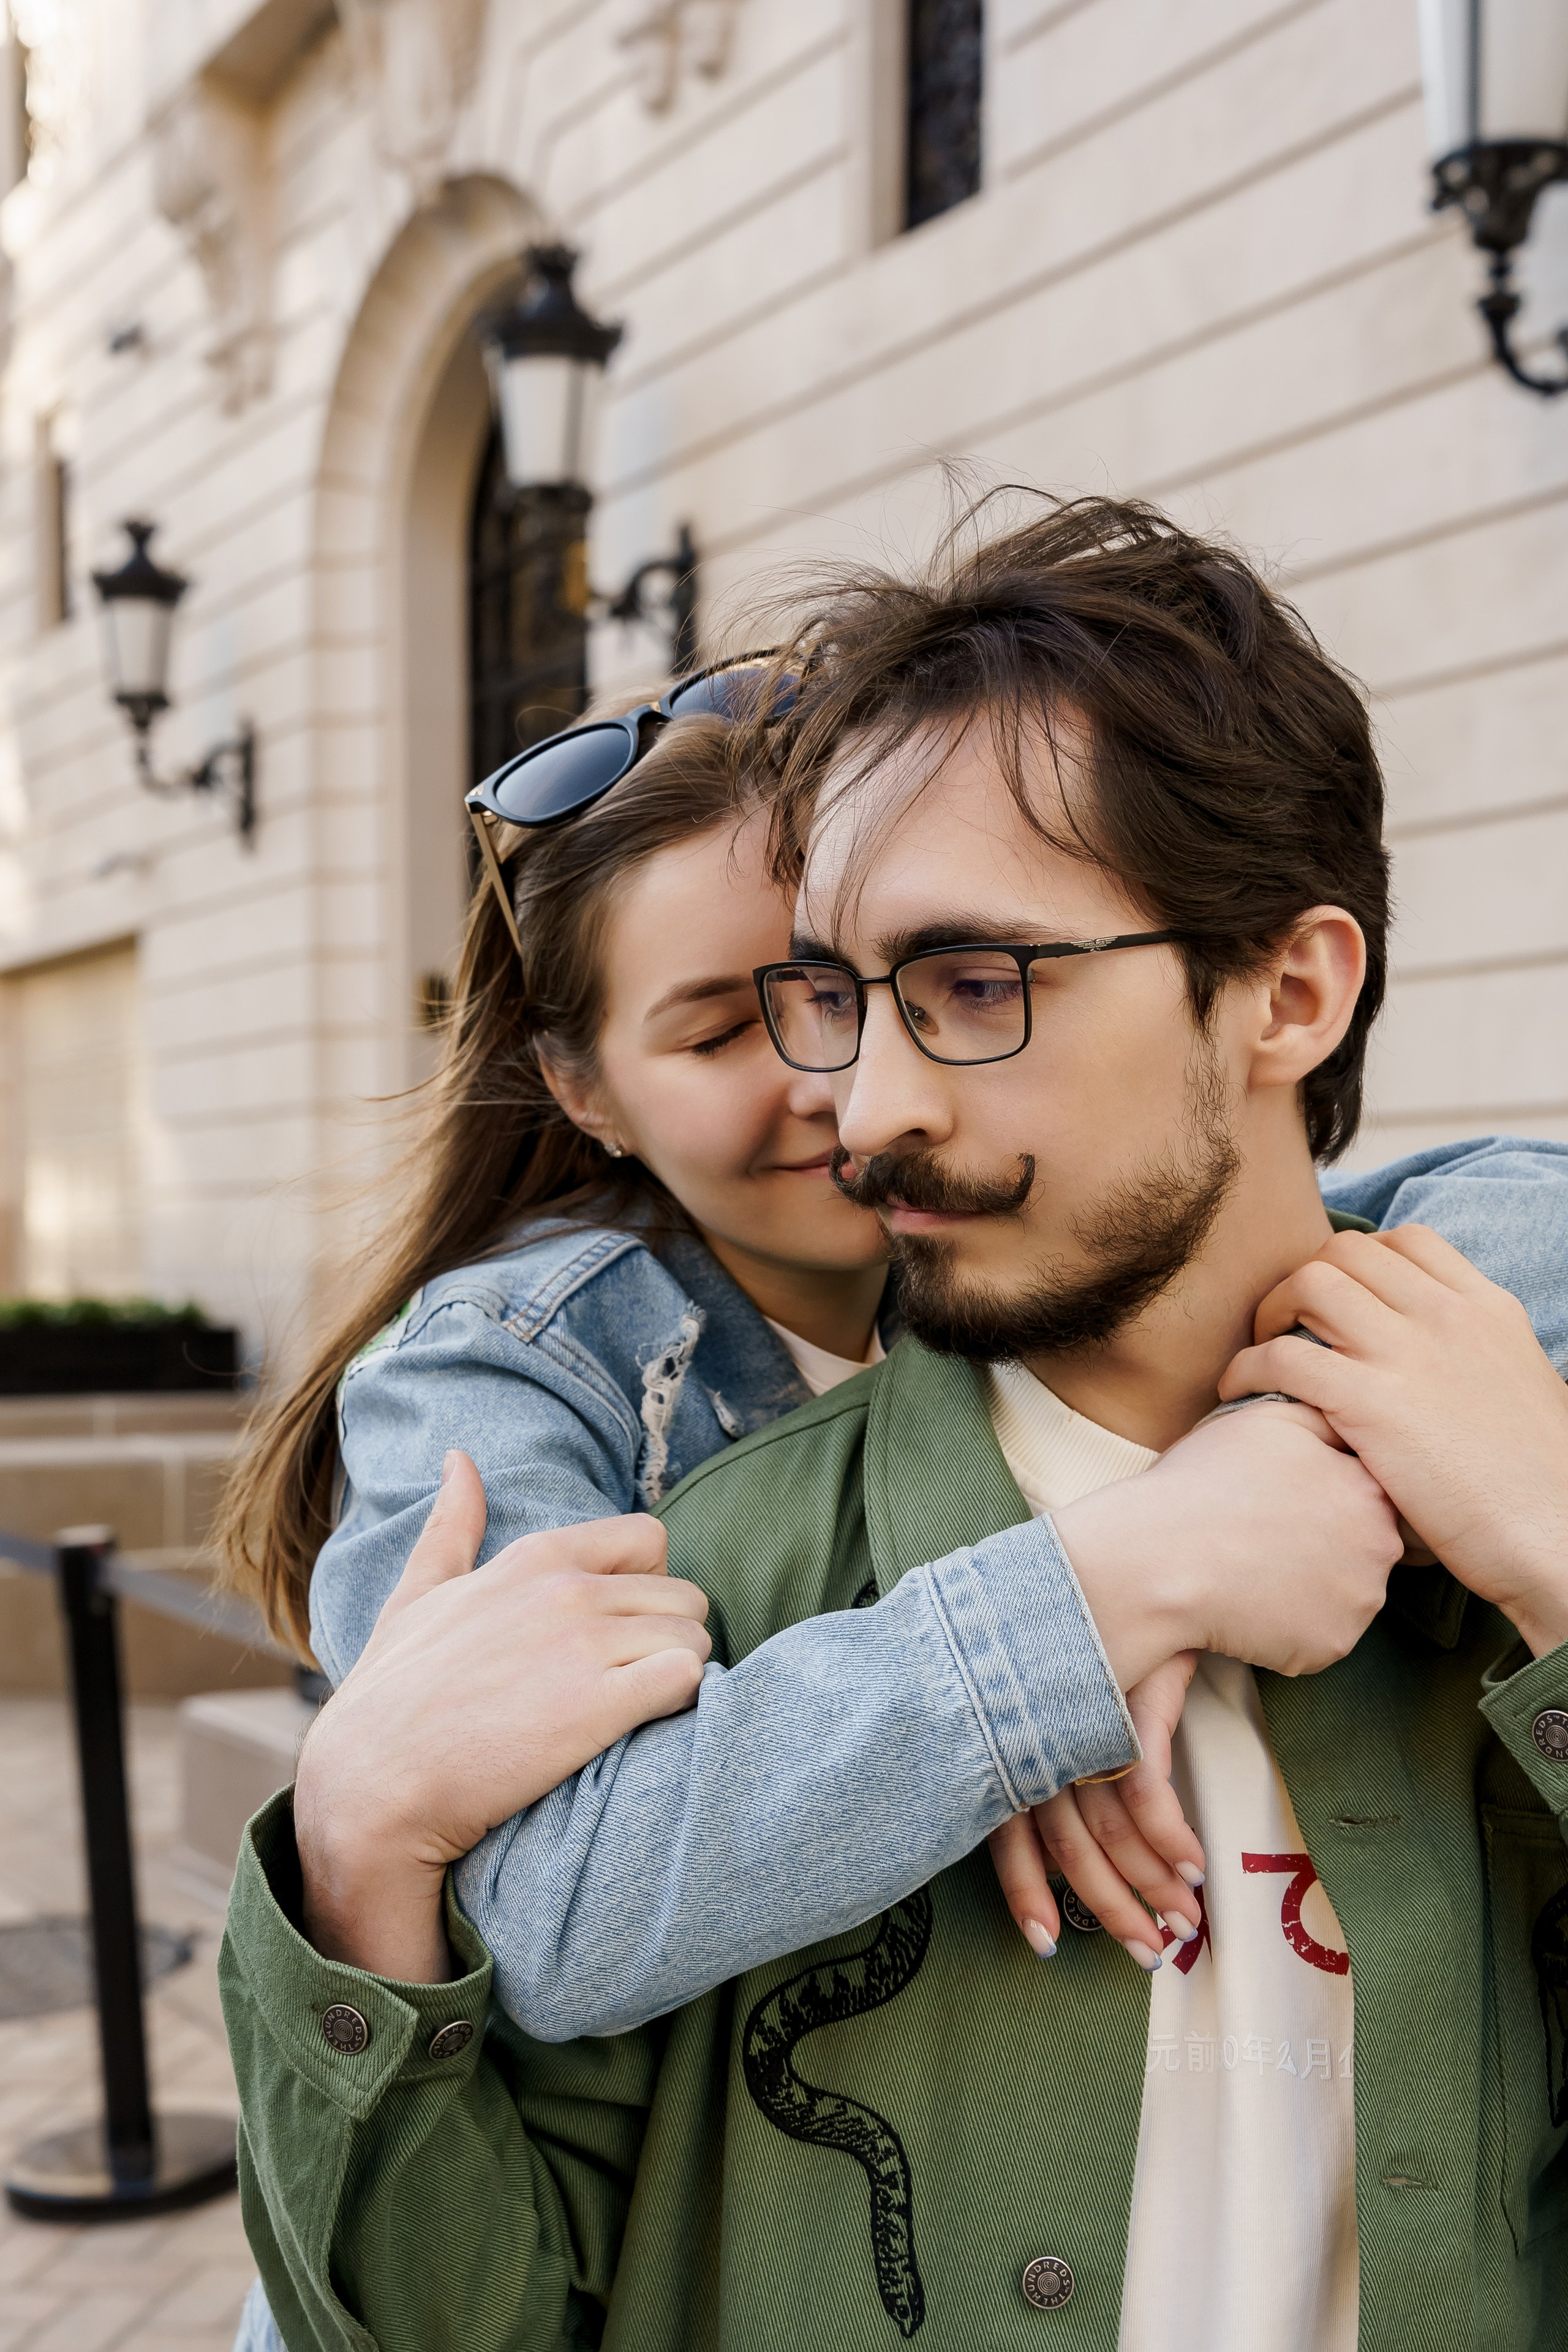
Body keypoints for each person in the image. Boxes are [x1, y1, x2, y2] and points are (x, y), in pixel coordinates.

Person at [222, 498, 1568, 2352]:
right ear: (583, 1091)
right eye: (833, 999)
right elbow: (460, 2296)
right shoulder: (678, 1583)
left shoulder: (1505, 1480)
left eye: (969, 986)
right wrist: (359, 1855)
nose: (857, 1108)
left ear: (1291, 988)